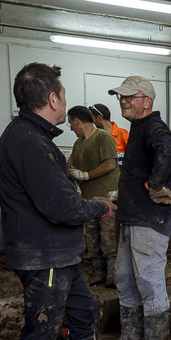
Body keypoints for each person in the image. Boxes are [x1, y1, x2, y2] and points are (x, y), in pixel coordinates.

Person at [0, 63, 129, 340]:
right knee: (42, 328)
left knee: (83, 310)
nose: (66, 106)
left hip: (57, 254)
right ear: (52, 98)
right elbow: (61, 205)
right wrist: (98, 206)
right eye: (64, 97)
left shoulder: (34, 138)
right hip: (44, 257)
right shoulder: (27, 141)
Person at [106, 76, 171, 340]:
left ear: (147, 101)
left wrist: (156, 184)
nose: (123, 101)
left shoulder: (153, 127)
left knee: (148, 281)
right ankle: (132, 336)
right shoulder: (136, 129)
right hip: (131, 217)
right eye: (120, 97)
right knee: (123, 277)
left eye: (129, 97)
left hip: (149, 220)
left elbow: (167, 149)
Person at [67, 105, 119, 287]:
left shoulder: (103, 137)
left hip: (106, 201)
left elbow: (110, 164)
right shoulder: (78, 144)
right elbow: (69, 166)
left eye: (70, 124)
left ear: (77, 121)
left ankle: (112, 278)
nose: (71, 128)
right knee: (92, 240)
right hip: (88, 202)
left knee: (109, 241)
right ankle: (99, 275)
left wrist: (86, 175)